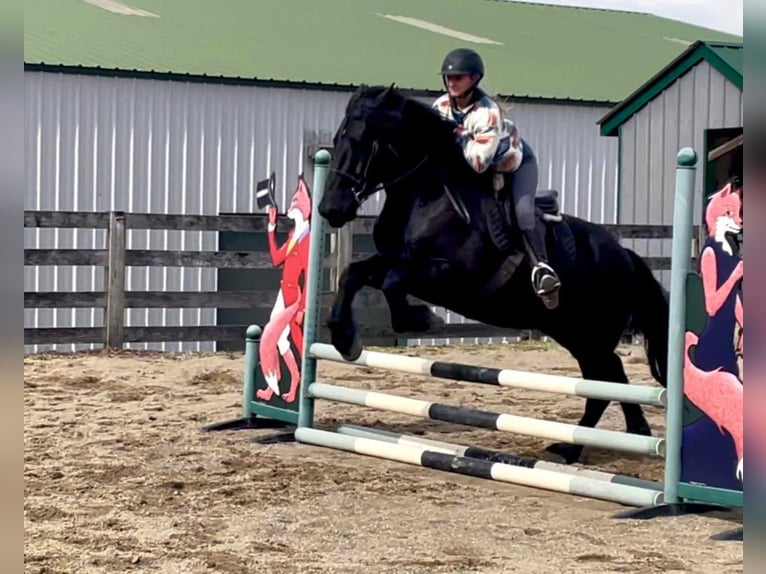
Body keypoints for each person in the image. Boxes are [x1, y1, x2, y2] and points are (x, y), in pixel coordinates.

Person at [432, 47, 561, 308]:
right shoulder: (441, 106)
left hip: (515, 164)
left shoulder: (487, 112)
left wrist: (454, 133)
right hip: (476, 167)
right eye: (448, 78)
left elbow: (478, 163)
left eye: (458, 77)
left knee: (523, 211)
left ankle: (542, 270)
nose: (451, 82)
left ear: (474, 79)